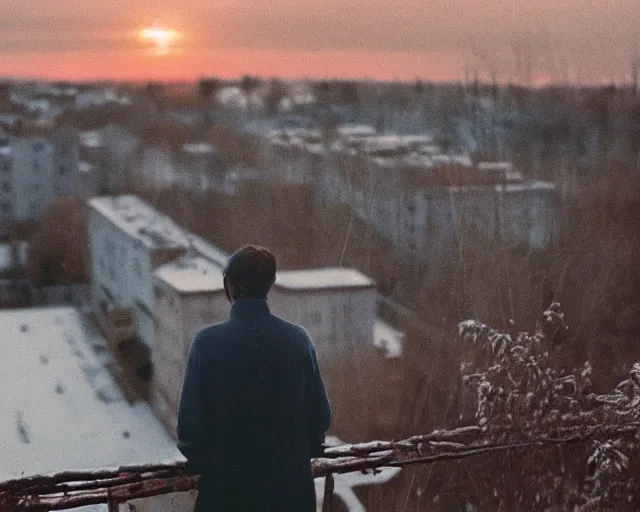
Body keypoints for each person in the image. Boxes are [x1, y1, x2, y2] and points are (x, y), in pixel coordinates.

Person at [177, 245, 332, 511]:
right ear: (270, 285)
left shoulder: (206, 344)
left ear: (229, 286)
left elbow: (189, 434)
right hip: (291, 497)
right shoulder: (298, 340)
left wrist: (220, 466)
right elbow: (321, 420)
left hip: (226, 498)